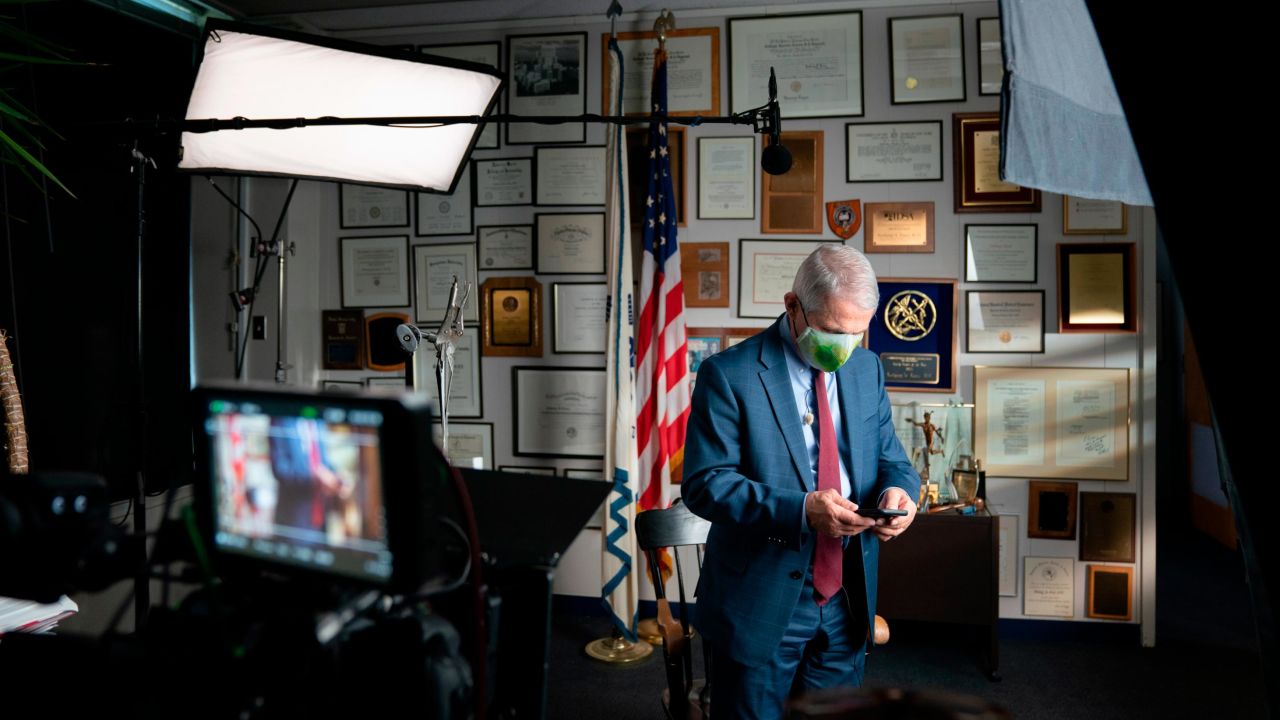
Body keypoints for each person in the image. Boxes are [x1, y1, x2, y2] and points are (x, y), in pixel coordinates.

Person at [682, 245, 920, 720]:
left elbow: (893, 460)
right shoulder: (729, 374)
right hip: (759, 601)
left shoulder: (865, 368)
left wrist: (902, 495)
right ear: (793, 305)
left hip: (846, 600)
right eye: (833, 331)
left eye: (858, 332)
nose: (845, 345)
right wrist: (801, 510)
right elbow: (705, 483)